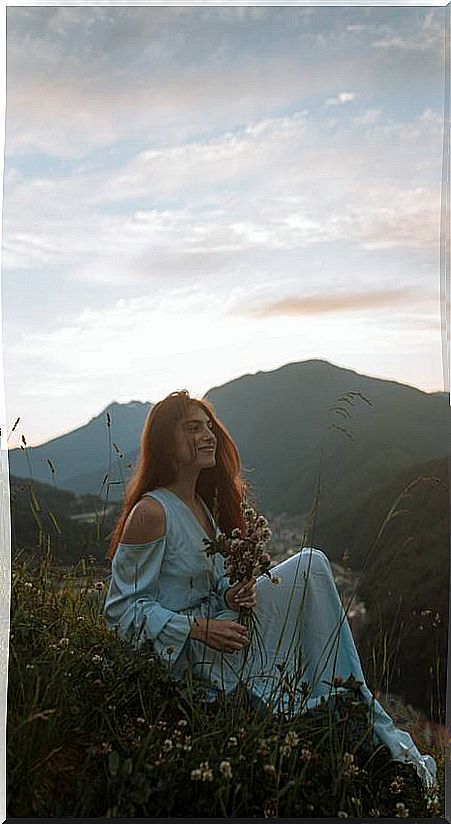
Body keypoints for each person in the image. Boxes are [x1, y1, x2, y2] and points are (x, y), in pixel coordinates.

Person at [104, 390, 437, 791]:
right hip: (187, 657)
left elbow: (199, 589)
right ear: (164, 444)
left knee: (311, 567)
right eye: (192, 428)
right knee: (311, 563)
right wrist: (198, 628)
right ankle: (350, 701)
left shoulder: (201, 508)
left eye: (209, 426)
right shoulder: (151, 512)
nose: (208, 435)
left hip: (217, 636)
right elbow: (120, 611)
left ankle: (348, 699)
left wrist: (229, 597)